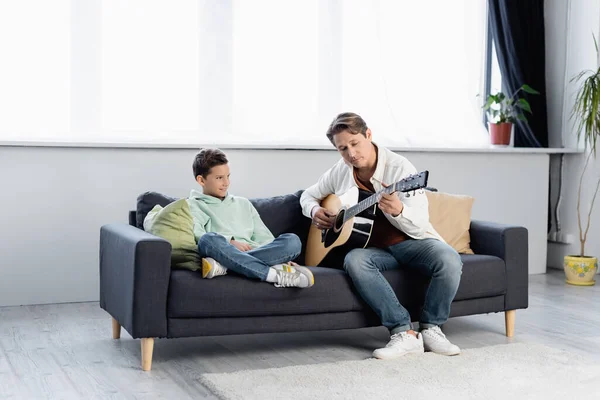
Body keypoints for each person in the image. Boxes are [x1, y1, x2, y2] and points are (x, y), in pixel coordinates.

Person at [300, 112, 462, 358]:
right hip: (373, 251)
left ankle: (432, 328)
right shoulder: (340, 171)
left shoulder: (401, 169)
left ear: (368, 135)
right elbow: (307, 195)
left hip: (411, 243)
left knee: (449, 258)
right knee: (354, 260)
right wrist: (314, 210)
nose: (351, 154)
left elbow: (419, 225)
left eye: (355, 144)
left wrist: (398, 210)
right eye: (343, 149)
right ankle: (403, 332)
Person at [188, 148, 314, 289]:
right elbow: (197, 235)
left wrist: (282, 257)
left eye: (228, 176)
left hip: (231, 256)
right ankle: (273, 275)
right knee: (207, 240)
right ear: (201, 180)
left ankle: (225, 267)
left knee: (293, 241)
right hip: (222, 250)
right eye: (219, 178)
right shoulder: (193, 204)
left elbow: (265, 238)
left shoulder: (243, 203)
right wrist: (230, 242)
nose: (226, 182)